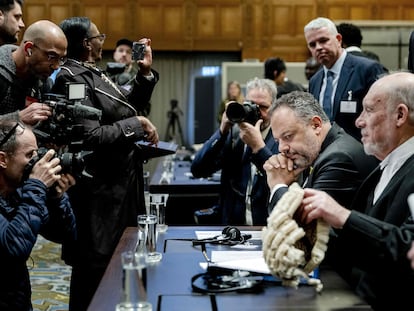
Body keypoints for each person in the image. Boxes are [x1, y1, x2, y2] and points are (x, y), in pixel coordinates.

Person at [51, 16, 160, 311]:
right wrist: (135, 125)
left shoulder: (93, 73)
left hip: (118, 188)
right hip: (98, 193)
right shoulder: (70, 78)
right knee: (95, 272)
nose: (103, 41)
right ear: (87, 44)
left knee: (117, 266)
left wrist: (144, 74)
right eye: (99, 37)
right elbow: (91, 135)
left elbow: (125, 103)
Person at [299, 72, 414, 310]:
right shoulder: (381, 169)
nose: (359, 121)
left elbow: (405, 248)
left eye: (369, 110)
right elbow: (363, 247)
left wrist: (341, 216)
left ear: (400, 115)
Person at [0, 118, 76, 311]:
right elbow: (14, 248)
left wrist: (56, 198)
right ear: (3, 159)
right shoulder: (29, 189)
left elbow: (64, 235)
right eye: (29, 155)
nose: (37, 162)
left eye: (36, 153)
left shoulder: (17, 191)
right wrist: (37, 186)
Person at [263, 91, 377, 213]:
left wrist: (278, 184)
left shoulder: (339, 159)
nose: (281, 148)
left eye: (288, 136)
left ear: (316, 125)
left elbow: (303, 224)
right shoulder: (314, 152)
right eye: (277, 141)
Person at [191, 77, 279, 225]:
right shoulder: (235, 137)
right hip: (233, 229)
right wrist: (222, 131)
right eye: (251, 105)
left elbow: (281, 181)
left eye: (262, 107)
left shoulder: (281, 139)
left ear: (274, 108)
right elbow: (198, 169)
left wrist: (259, 147)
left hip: (266, 228)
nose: (255, 111)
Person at [304, 17, 386, 141]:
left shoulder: (367, 70)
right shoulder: (314, 81)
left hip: (360, 153)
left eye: (323, 40)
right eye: (312, 44)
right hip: (325, 155)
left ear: (338, 39)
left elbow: (382, 116)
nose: (318, 47)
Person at [0, 19, 67, 124]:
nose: (57, 67)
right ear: (28, 49)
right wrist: (16, 119)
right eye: (51, 56)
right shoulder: (2, 74)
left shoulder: (42, 80)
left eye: (61, 59)